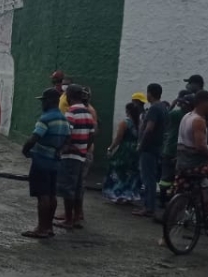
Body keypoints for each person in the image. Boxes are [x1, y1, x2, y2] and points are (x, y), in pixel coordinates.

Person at [22, 87, 70, 239]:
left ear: (49, 101)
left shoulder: (45, 118)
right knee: (51, 194)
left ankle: (41, 228)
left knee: (42, 195)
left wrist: (25, 150)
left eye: (43, 101)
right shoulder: (63, 119)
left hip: (41, 159)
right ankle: (48, 227)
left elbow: (34, 137)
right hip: (55, 161)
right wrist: (60, 150)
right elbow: (68, 139)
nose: (42, 104)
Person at [57, 85, 95, 228]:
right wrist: (84, 148)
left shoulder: (70, 113)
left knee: (68, 188)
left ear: (69, 96)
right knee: (78, 187)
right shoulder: (88, 113)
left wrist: (65, 148)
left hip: (70, 156)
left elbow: (66, 134)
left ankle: (68, 219)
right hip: (82, 154)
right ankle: (77, 217)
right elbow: (92, 135)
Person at [135, 83, 167, 217]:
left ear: (150, 93)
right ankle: (149, 206)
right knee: (151, 177)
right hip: (157, 146)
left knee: (148, 178)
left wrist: (141, 145)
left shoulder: (154, 109)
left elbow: (149, 129)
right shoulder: (163, 107)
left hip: (148, 148)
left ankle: (148, 207)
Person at [102, 101, 143, 204]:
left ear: (127, 111)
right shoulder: (140, 123)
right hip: (136, 151)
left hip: (125, 150)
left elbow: (118, 139)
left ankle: (118, 194)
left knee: (118, 171)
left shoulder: (125, 123)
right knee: (132, 174)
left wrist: (110, 148)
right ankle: (128, 195)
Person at [159, 90, 195, 204]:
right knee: (178, 177)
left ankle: (163, 200)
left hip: (170, 149)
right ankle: (173, 200)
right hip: (184, 151)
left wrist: (173, 104)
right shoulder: (193, 117)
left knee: (165, 177)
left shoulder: (175, 114)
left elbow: (163, 120)